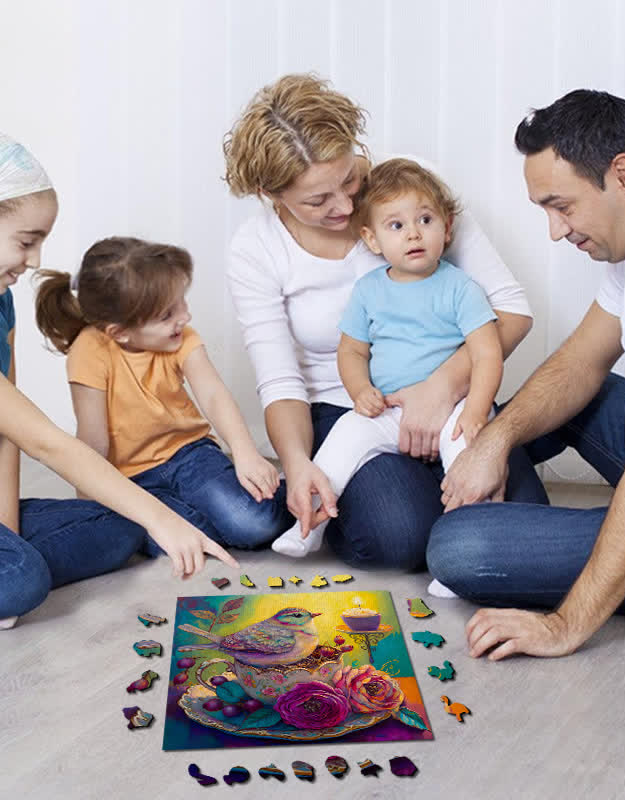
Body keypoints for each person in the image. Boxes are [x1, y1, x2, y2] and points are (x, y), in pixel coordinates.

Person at [0, 107, 237, 634]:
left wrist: (5, 531)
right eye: (26, 240)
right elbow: (47, 442)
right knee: (17, 575)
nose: (36, 258)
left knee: (115, 526)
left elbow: (7, 436)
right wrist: (164, 520)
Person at [224, 73, 548, 571]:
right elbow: (281, 381)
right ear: (272, 194)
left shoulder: (411, 194)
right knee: (401, 538)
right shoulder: (256, 248)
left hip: (454, 386)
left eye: (349, 178)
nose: (347, 206)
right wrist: (297, 464)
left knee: (523, 516)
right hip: (347, 406)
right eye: (318, 201)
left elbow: (511, 310)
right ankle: (362, 500)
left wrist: (440, 389)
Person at [427, 89, 625, 659]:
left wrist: (563, 626)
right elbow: (580, 362)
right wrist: (495, 442)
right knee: (582, 393)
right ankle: (482, 480)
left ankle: (601, 548)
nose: (557, 232)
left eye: (563, 206)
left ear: (624, 175)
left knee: (462, 548)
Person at [271, 158, 502, 558]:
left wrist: (476, 412)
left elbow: (487, 355)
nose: (413, 233)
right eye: (396, 226)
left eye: (425, 220)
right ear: (372, 239)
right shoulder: (369, 291)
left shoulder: (460, 288)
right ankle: (308, 525)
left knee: (469, 465)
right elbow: (353, 350)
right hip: (389, 408)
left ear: (447, 228)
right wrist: (360, 391)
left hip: (453, 409)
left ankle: (467, 551)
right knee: (344, 439)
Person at [34, 236, 293, 552]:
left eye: (181, 302)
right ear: (120, 332)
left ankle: (291, 490)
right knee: (162, 541)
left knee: (253, 524)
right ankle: (214, 516)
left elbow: (213, 394)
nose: (184, 317)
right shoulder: (88, 350)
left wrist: (245, 452)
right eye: (167, 314)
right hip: (131, 477)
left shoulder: (181, 337)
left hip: (190, 454)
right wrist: (93, 501)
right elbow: (92, 439)